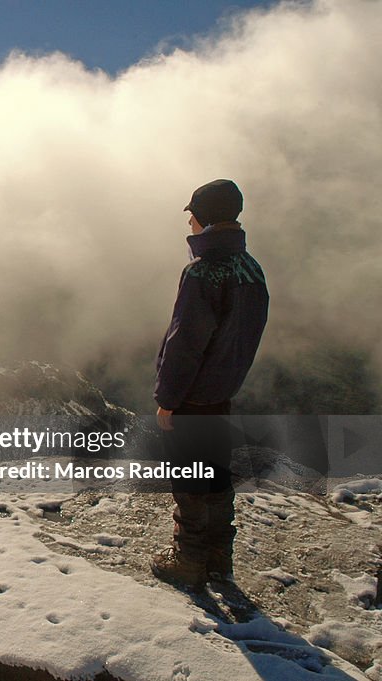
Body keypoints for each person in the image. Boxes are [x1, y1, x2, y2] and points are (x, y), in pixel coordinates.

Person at [151, 179, 269, 586]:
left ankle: (189, 560)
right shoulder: (250, 268)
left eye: (193, 213)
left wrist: (168, 399)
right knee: (216, 473)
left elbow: (185, 343)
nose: (189, 219)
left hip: (193, 396)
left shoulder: (203, 273)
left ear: (205, 218)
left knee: (188, 477)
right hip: (222, 391)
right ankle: (220, 558)